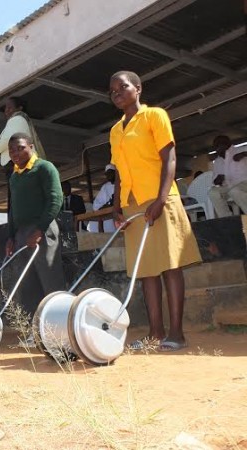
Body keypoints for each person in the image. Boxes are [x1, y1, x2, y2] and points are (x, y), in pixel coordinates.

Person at [109, 70, 201, 352]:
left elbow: (169, 156)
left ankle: (176, 333)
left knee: (170, 267)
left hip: (159, 199)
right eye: (112, 91)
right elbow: (118, 173)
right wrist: (116, 207)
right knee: (146, 271)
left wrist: (161, 199)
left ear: (138, 88)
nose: (117, 93)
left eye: (122, 87)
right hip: (132, 204)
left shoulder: (155, 116)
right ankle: (155, 333)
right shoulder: (115, 131)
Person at [6, 132, 66, 347]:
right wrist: (11, 236)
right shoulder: (14, 176)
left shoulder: (44, 168)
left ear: (31, 146)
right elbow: (12, 209)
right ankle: (35, 334)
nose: (16, 153)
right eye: (12, 150)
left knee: (51, 281)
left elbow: (55, 199)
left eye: (20, 148)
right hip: (21, 233)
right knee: (28, 284)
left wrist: (40, 230)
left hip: (42, 229)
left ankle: (60, 332)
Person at [0, 97, 47, 221]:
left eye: (10, 107)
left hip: (16, 163)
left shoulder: (16, 119)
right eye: (5, 108)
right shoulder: (21, 120)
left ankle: (16, 226)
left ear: (19, 108)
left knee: (16, 197)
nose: (7, 111)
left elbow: (6, 141)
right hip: (21, 163)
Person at [208, 135, 247, 217]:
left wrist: (244, 154)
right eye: (217, 145)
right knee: (213, 193)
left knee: (234, 191)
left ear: (228, 143)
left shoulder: (240, 150)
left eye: (222, 143)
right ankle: (227, 219)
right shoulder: (218, 161)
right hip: (228, 186)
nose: (219, 146)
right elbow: (215, 181)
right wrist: (217, 180)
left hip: (244, 183)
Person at [87, 164, 116, 233]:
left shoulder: (121, 185)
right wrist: (107, 205)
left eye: (110, 173)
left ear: (115, 173)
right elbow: (96, 205)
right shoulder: (105, 187)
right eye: (106, 174)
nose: (108, 175)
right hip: (104, 213)